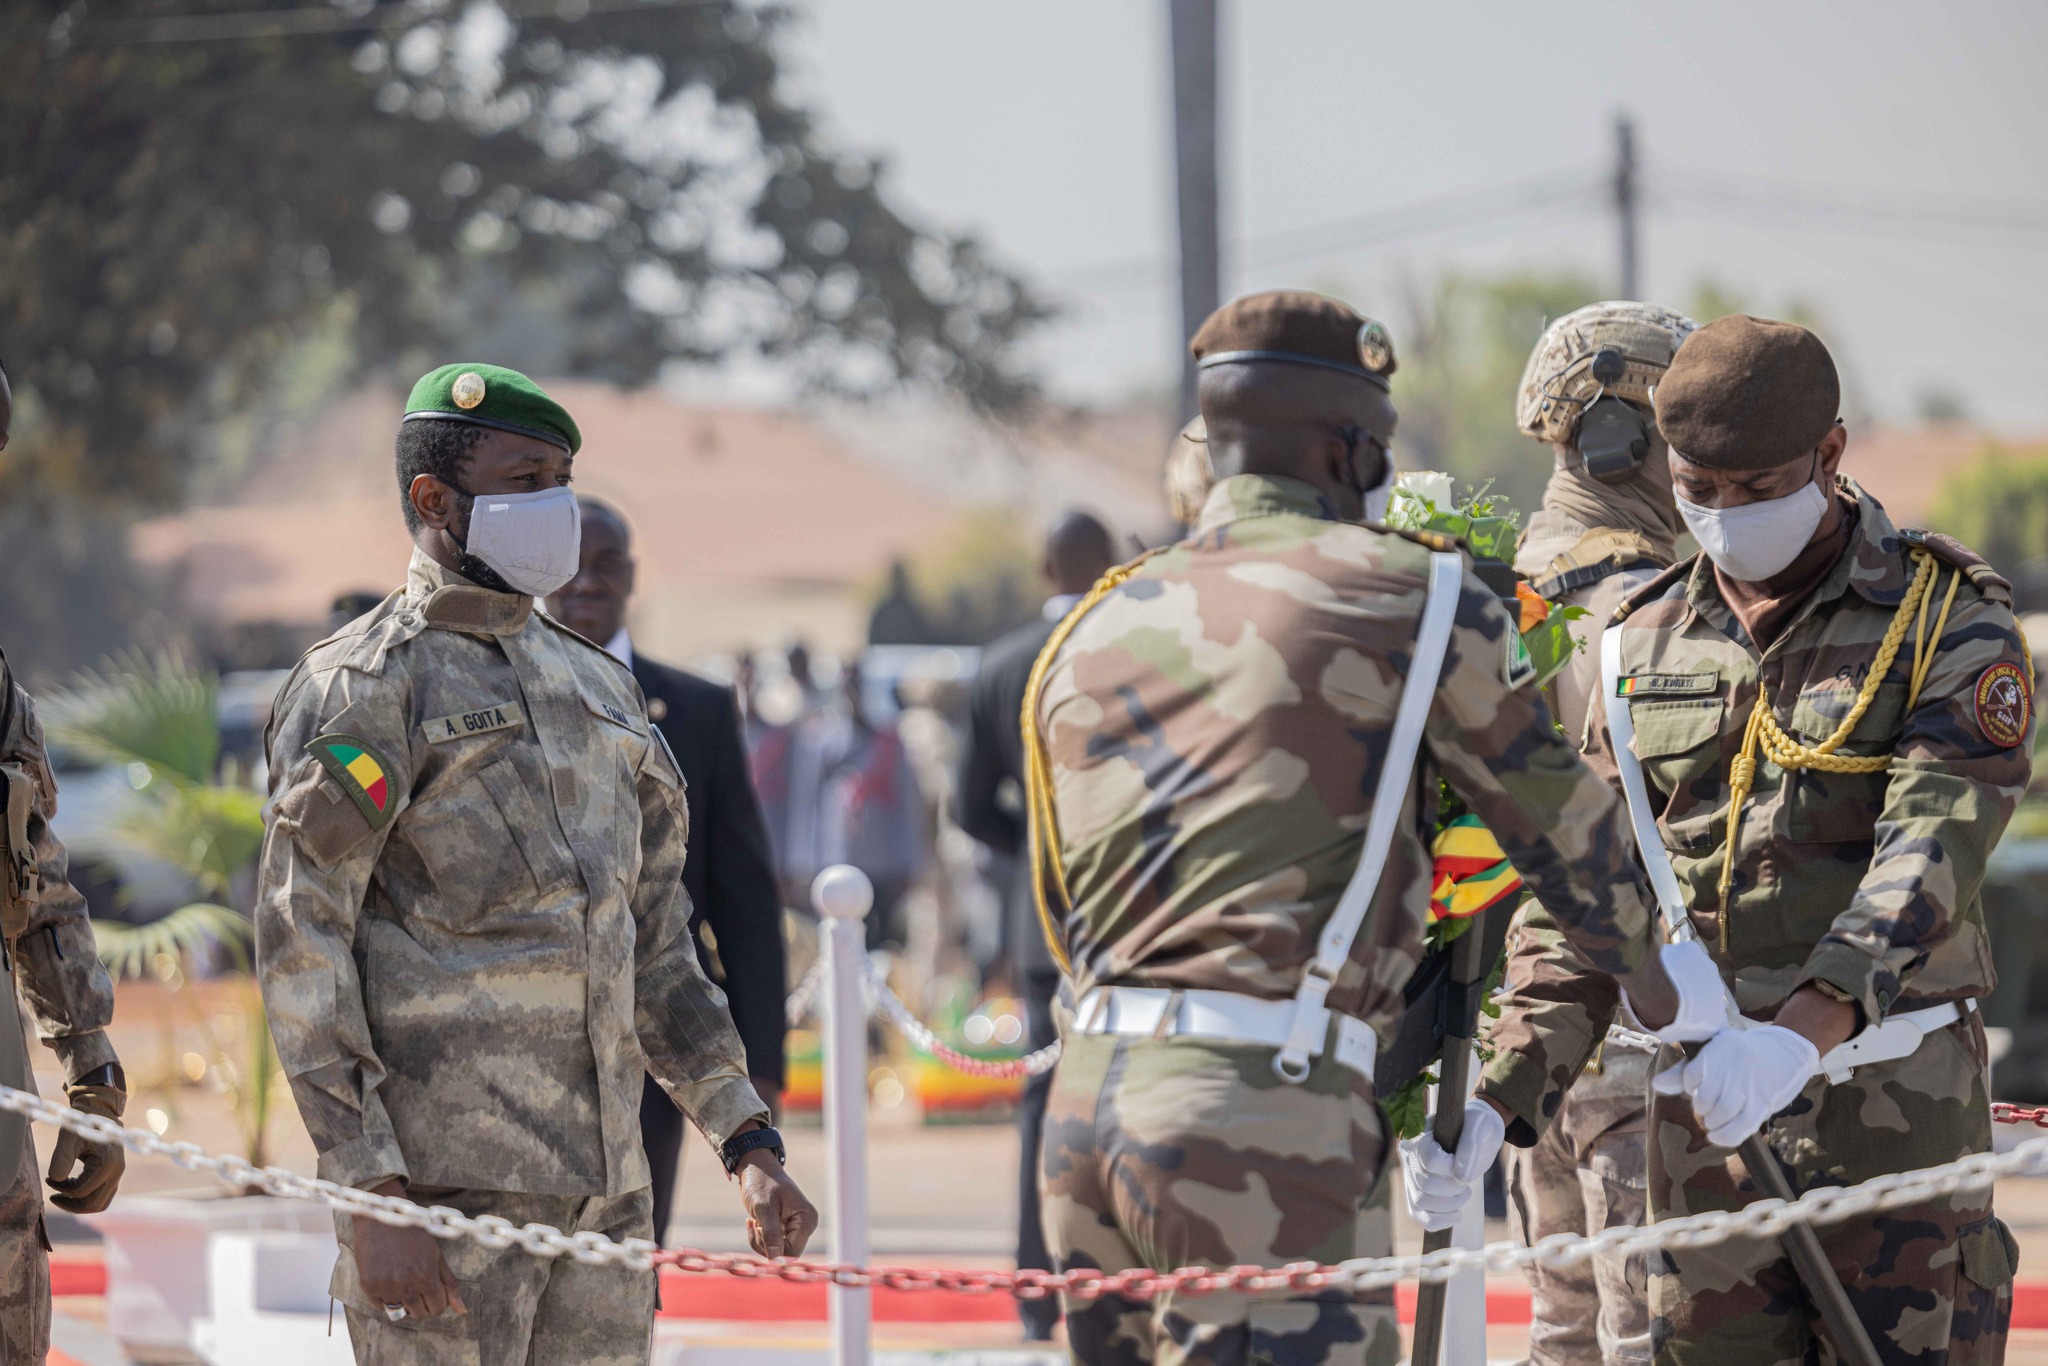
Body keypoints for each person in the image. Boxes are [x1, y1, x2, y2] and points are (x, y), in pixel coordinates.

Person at [1028, 291, 1720, 1366]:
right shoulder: (1416, 600)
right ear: (1346, 445)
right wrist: (1674, 1002)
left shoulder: (1096, 621)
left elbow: (1059, 903)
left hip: (1083, 1115)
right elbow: (1570, 846)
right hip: (1256, 1120)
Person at [1459, 317, 2028, 1360]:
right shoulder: (1638, 636)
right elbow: (1588, 885)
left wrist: (1798, 1032)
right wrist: (1503, 1093)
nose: (1723, 515)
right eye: (1697, 489)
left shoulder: (1943, 620)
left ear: (1829, 455)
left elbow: (1929, 843)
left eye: (1757, 486)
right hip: (1698, 1135)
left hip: (1887, 1114)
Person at [254, 363, 816, 1364]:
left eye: (561, 477)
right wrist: (369, 1189)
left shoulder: (599, 691)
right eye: (525, 481)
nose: (554, 507)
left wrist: (745, 1139)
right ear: (434, 500)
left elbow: (656, 947)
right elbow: (305, 941)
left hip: (605, 1203)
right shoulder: (371, 688)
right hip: (440, 1204)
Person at [1495, 301, 1699, 1366]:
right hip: (1641, 1033)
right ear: (1619, 435)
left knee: (1562, 1331)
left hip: (1527, 1049)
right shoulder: (1661, 610)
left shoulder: (1487, 596)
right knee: (1647, 1341)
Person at [546, 495, 787, 1247]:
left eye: (607, 564)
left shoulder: (699, 709)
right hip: (530, 1033)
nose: (587, 580)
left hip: (657, 1032)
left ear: (632, 577)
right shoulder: (502, 692)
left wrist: (760, 1062)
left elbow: (744, 898)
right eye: (571, 563)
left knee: (632, 1251)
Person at [955, 509, 1118, 1343]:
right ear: (1113, 560)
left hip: (1038, 921)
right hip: (1130, 916)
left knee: (1041, 1104)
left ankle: (1032, 1287)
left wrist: (1031, 854)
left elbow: (969, 806)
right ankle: (1115, 1283)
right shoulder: (1134, 650)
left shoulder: (1002, 663)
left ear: (1042, 567)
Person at [776, 658, 927, 949]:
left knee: (881, 944)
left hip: (882, 861)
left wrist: (909, 862)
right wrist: (801, 862)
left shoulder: (888, 740)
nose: (853, 695)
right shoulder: (822, 739)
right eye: (847, 687)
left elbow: (906, 806)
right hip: (836, 858)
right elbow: (806, 805)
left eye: (857, 686)